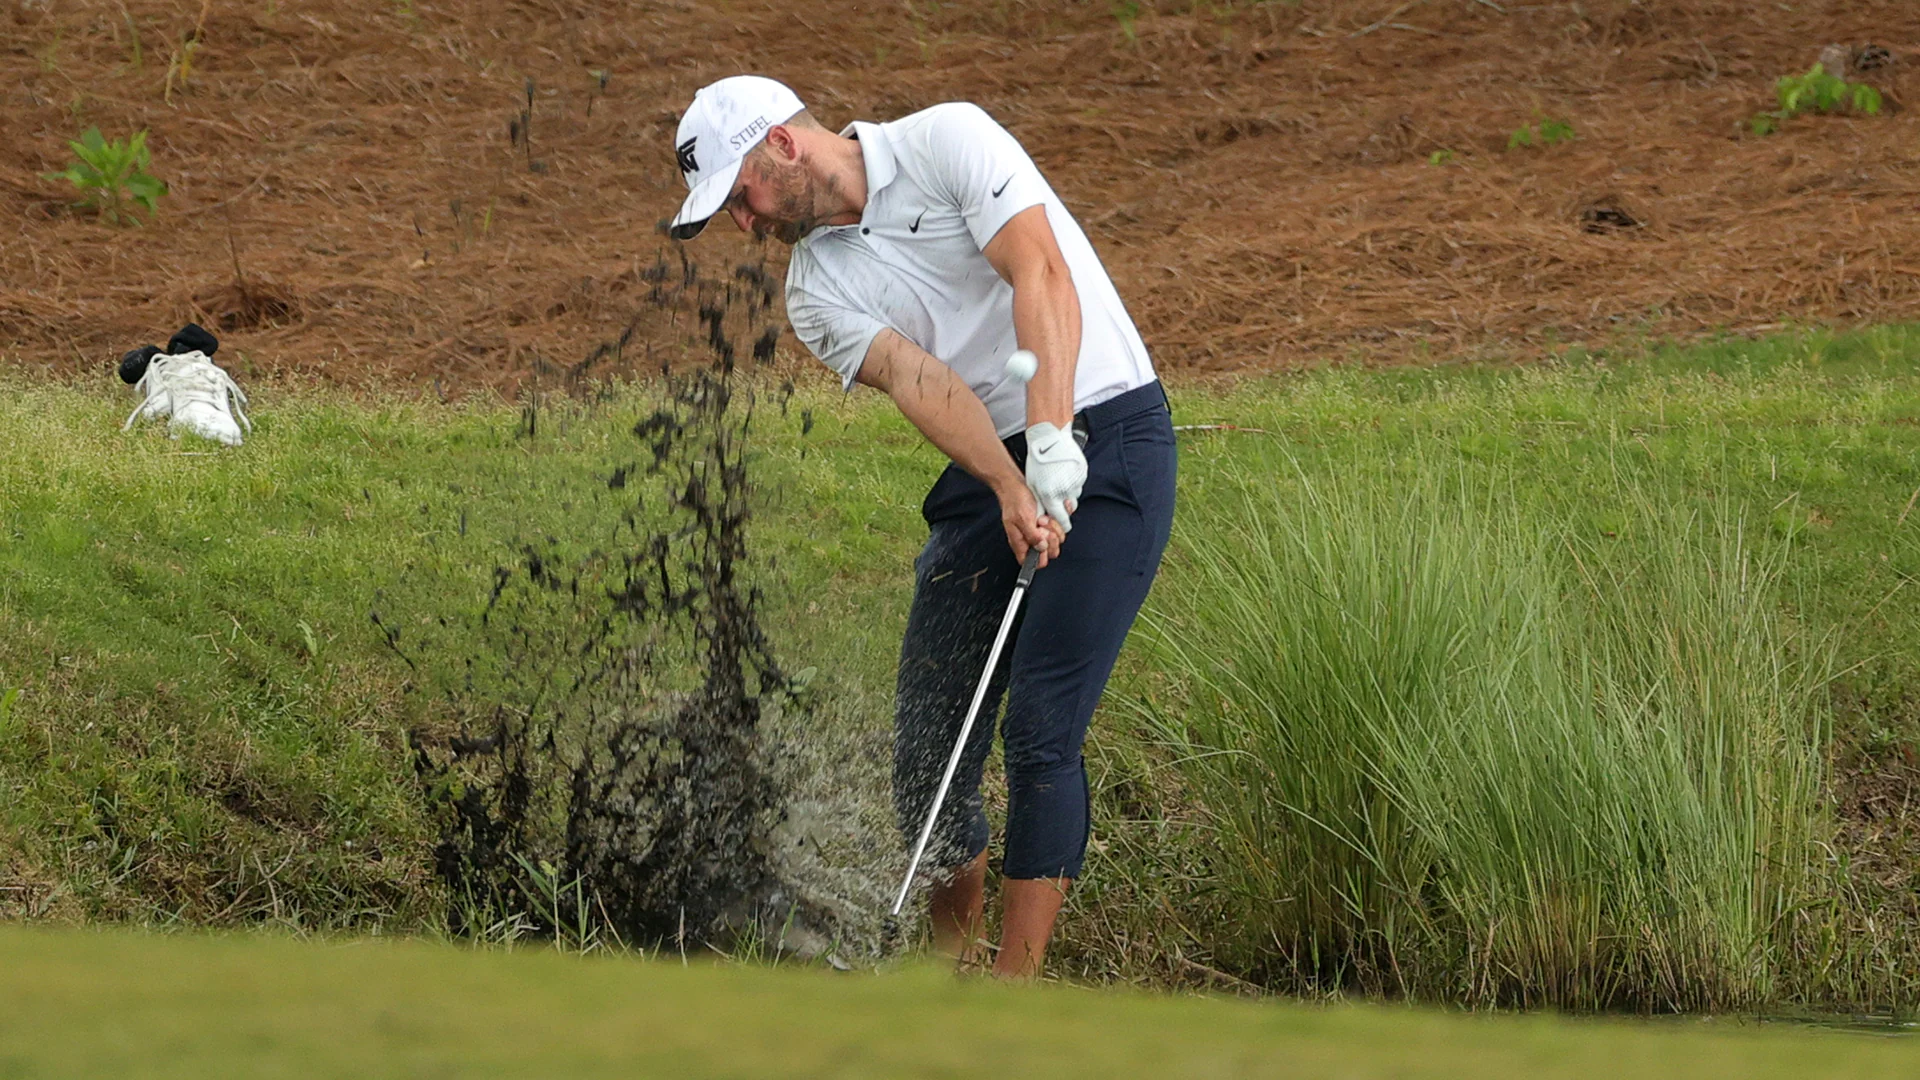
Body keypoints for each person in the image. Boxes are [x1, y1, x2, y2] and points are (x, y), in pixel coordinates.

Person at [667, 75, 1175, 979]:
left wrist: (1053, 438)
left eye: (739, 198)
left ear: (782, 146)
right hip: (990, 459)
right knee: (926, 753)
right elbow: (918, 381)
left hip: (1108, 424)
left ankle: (1008, 1000)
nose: (742, 225)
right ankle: (947, 977)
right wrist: (1011, 484)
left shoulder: (949, 140)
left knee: (1041, 729)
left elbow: (1041, 274)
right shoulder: (814, 291)